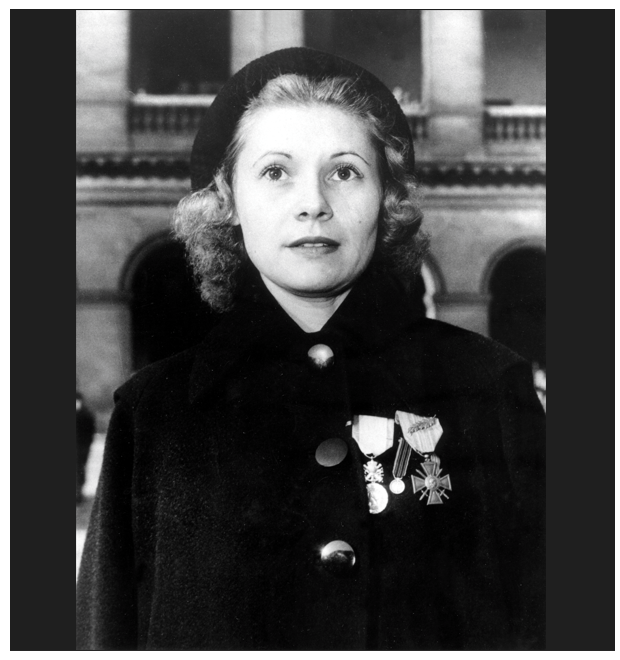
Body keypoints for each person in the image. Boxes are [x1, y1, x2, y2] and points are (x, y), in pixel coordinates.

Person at [76, 47, 545, 650]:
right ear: (229, 203)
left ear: (387, 198)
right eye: (275, 172)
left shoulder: (488, 388)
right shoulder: (155, 414)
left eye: (345, 171)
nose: (313, 202)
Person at [76, 391, 95, 505]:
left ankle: (78, 493)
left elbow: (90, 431)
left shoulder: (86, 414)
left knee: (79, 469)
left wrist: (87, 444)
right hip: (81, 446)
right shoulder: (86, 413)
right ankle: (78, 493)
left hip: (82, 447)